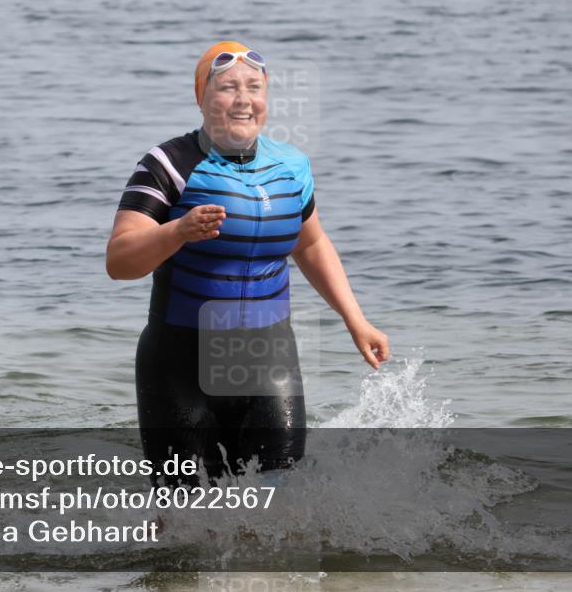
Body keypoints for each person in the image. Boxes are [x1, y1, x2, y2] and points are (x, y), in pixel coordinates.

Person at [107, 41, 389, 486]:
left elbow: (311, 245)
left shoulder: (291, 166)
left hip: (269, 360)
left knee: (279, 507)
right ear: (201, 97)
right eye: (227, 87)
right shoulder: (168, 164)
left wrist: (356, 320)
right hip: (180, 364)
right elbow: (120, 260)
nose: (243, 99)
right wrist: (176, 232)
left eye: (254, 87)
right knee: (184, 519)